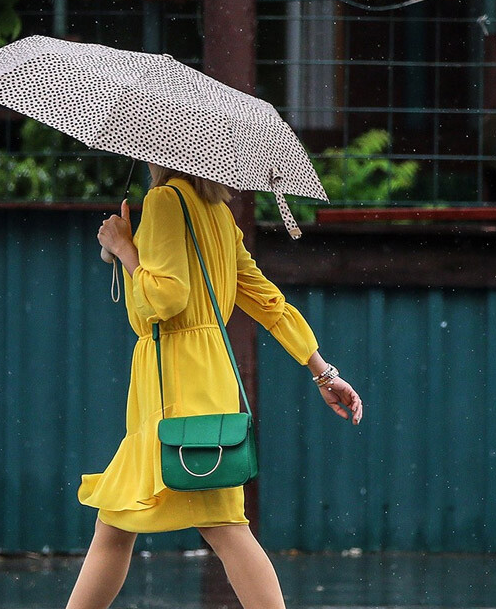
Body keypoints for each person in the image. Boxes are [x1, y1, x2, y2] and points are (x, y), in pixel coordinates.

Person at [71, 163, 363, 609]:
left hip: (176, 382)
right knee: (153, 522)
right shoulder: (217, 213)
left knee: (171, 523)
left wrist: (125, 249)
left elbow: (167, 299)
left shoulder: (166, 201)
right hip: (208, 377)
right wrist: (323, 371)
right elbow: (267, 299)